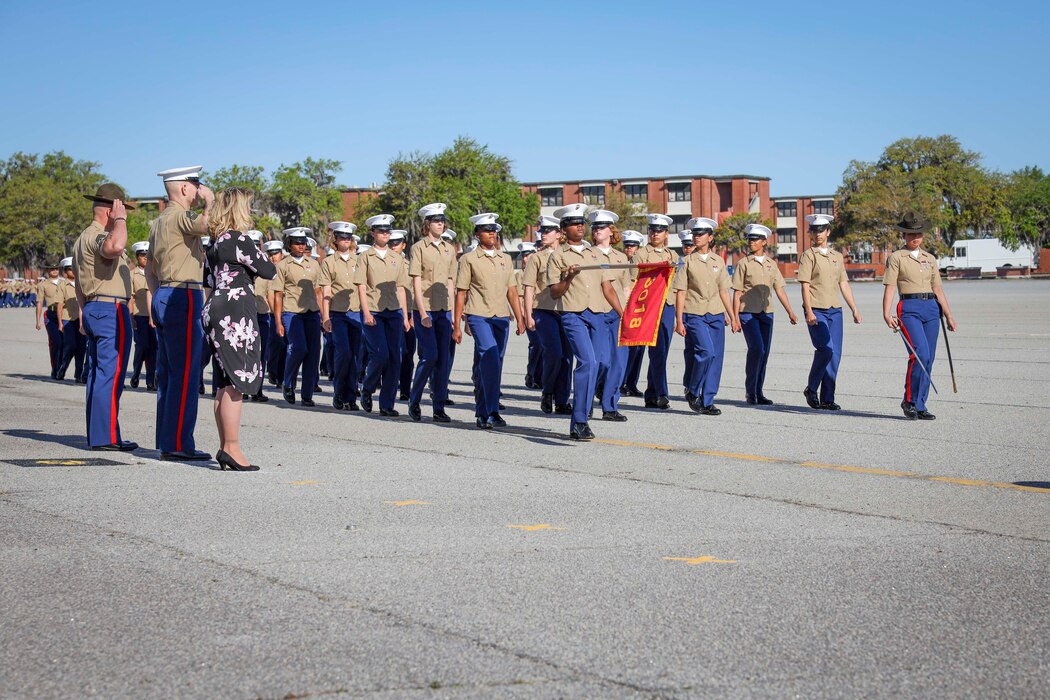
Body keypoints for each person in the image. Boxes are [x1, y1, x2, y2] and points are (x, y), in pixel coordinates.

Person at [202, 188, 276, 471]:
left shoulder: (215, 242)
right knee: (237, 380)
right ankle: (232, 448)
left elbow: (208, 280)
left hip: (215, 306)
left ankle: (225, 446)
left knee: (223, 381)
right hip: (235, 309)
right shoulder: (238, 239)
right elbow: (268, 270)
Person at [146, 165, 213, 461]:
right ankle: (179, 443)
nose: (199, 190)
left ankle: (167, 439)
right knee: (186, 373)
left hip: (164, 292)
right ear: (185, 188)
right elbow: (208, 226)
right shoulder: (181, 216)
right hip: (183, 294)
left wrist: (157, 295)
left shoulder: (159, 221)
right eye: (196, 185)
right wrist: (210, 201)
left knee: (169, 372)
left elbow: (148, 269)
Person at [72, 183, 136, 452]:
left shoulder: (81, 238)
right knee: (111, 373)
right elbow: (115, 246)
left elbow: (78, 282)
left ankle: (103, 433)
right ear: (111, 210)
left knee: (100, 374)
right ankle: (105, 437)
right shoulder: (99, 235)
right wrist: (119, 220)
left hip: (95, 307)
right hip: (110, 309)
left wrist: (83, 311)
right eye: (122, 209)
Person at [547, 203, 619, 440]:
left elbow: (607, 287)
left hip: (597, 313)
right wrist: (568, 277)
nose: (579, 227)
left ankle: (585, 403)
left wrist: (623, 314)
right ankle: (579, 421)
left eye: (582, 223)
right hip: (573, 314)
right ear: (563, 230)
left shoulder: (595, 254)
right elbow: (555, 292)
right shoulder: (558, 256)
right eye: (573, 224)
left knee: (600, 363)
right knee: (587, 362)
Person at [882, 211, 957, 420]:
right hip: (909, 308)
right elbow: (889, 287)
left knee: (930, 358)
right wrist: (886, 313)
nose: (915, 238)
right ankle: (909, 400)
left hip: (932, 308)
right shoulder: (897, 258)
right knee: (920, 354)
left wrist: (949, 315)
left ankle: (920, 404)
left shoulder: (930, 259)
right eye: (910, 234)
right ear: (904, 236)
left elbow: (939, 290)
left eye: (919, 234)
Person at [453, 213, 524, 429]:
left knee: (491, 363)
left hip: (501, 317)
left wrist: (520, 318)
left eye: (494, 229)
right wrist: (457, 324)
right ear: (477, 234)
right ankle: (492, 411)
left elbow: (512, 291)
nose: (492, 232)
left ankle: (481, 411)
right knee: (491, 357)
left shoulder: (505, 259)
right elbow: (461, 293)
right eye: (486, 229)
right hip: (478, 315)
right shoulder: (469, 260)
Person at [798, 213, 861, 411]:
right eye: (814, 231)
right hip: (817, 310)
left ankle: (827, 398)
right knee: (825, 349)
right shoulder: (809, 256)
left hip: (835, 310)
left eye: (821, 230)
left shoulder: (837, 256)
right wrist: (808, 311)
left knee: (835, 354)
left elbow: (844, 283)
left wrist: (854, 309)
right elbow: (805, 285)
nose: (818, 234)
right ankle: (812, 388)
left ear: (828, 232)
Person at [731, 223, 798, 405]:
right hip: (748, 313)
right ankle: (750, 391)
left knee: (764, 353)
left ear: (764, 242)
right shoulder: (743, 264)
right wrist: (735, 318)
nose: (751, 242)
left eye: (755, 239)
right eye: (750, 239)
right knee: (757, 349)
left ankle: (759, 392)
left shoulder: (771, 264)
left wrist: (790, 311)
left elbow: (780, 290)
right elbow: (737, 293)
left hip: (767, 313)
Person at [673, 218, 735, 415]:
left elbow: (724, 290)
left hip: (716, 313)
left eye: (700, 234)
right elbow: (681, 292)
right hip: (695, 313)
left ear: (710, 237)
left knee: (716, 357)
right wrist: (679, 320)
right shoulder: (687, 262)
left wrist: (732, 316)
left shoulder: (718, 261)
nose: (696, 237)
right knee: (705, 352)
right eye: (695, 234)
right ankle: (692, 389)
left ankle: (707, 401)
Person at [354, 214, 411, 416]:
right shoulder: (365, 257)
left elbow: (402, 288)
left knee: (396, 357)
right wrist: (366, 312)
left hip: (394, 311)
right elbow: (361, 286)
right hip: (373, 311)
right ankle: (368, 388)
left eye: (388, 231)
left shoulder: (397, 258)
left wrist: (404, 316)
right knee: (380, 355)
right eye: (381, 231)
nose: (385, 234)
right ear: (373, 233)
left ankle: (387, 404)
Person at [408, 203, 457, 422]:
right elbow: (416, 282)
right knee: (429, 356)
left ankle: (438, 407)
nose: (440, 224)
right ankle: (415, 400)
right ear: (427, 224)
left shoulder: (449, 248)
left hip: (444, 310)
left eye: (442, 220)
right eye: (436, 220)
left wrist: (454, 315)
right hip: (425, 309)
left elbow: (451, 282)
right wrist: (421, 311)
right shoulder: (419, 247)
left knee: (444, 360)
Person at [523, 215, 572, 415]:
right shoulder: (536, 258)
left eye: (548, 231)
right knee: (554, 354)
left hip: (568, 310)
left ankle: (562, 400)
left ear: (559, 234)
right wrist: (528, 315)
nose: (543, 234)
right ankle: (548, 391)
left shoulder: (569, 255)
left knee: (567, 357)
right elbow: (528, 288)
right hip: (544, 311)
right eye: (542, 231)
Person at [633, 214, 680, 409]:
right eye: (652, 230)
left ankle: (652, 394)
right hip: (648, 307)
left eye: (659, 230)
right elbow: (634, 282)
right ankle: (661, 393)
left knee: (661, 352)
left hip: (667, 306)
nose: (655, 233)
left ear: (666, 233)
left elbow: (677, 286)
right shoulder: (641, 254)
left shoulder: (673, 256)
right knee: (656, 352)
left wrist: (679, 316)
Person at [588, 210, 630, 422]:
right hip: (595, 313)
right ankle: (587, 398)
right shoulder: (588, 254)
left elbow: (626, 287)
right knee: (600, 361)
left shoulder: (620, 257)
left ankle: (610, 406)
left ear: (611, 230)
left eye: (601, 227)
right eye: (594, 227)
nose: (596, 230)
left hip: (618, 314)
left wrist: (629, 312)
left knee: (619, 363)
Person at [273, 227, 322, 407]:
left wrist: (324, 317)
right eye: (297, 243)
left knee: (313, 353)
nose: (301, 246)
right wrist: (278, 321)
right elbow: (278, 294)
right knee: (299, 348)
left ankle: (307, 394)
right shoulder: (283, 265)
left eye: (303, 243)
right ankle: (288, 382)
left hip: (312, 312)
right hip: (291, 312)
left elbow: (318, 291)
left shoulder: (314, 264)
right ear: (289, 245)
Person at [320, 221, 362, 411]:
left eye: (348, 237)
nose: (345, 240)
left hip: (356, 313)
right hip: (338, 314)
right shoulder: (329, 262)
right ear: (335, 240)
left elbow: (365, 289)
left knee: (354, 356)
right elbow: (325, 291)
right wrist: (325, 317)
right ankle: (339, 393)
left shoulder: (359, 260)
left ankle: (351, 396)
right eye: (341, 237)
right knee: (343, 353)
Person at [242, 231, 270, 402]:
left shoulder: (264, 263)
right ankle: (243, 387)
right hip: (244, 313)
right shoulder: (239, 263)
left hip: (262, 313)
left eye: (256, 244)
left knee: (262, 354)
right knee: (245, 352)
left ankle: (257, 389)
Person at [619, 230, 645, 397]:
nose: (630, 249)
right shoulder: (620, 263)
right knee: (625, 349)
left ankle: (632, 382)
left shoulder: (639, 264)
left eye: (633, 246)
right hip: (623, 309)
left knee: (639, 348)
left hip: (640, 309)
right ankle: (620, 382)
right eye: (627, 246)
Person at [390, 230, 415, 402]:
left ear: (403, 245)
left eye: (396, 243)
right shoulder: (383, 263)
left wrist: (414, 315)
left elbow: (413, 291)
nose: (393, 246)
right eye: (391, 243)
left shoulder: (410, 265)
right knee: (392, 353)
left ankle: (405, 389)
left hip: (409, 313)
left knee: (407, 353)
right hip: (389, 312)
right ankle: (389, 387)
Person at [128, 241, 157, 391]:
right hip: (139, 316)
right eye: (141, 255)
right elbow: (130, 298)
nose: (145, 258)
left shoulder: (154, 272)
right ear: (137, 257)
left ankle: (150, 381)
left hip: (154, 317)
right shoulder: (132, 274)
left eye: (147, 255)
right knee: (142, 347)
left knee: (154, 349)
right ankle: (136, 373)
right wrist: (131, 317)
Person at [515, 242, 542, 390]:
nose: (525, 259)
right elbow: (519, 298)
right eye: (524, 255)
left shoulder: (541, 270)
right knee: (536, 344)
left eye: (528, 255)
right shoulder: (520, 275)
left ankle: (540, 376)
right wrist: (523, 316)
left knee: (544, 345)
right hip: (529, 314)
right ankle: (532, 374)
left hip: (542, 312)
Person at [57, 257, 87, 383]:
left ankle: (78, 374)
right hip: (67, 319)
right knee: (70, 346)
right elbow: (59, 304)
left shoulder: (82, 283)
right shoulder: (62, 284)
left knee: (81, 348)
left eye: (74, 269)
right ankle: (62, 368)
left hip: (81, 320)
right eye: (69, 269)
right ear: (65, 271)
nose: (72, 272)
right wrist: (59, 322)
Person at [262, 240, 286, 386]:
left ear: (281, 254)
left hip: (286, 310)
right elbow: (270, 295)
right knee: (275, 343)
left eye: (275, 254)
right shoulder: (266, 270)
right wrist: (276, 314)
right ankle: (273, 371)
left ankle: (281, 376)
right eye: (270, 254)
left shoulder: (284, 268)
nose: (273, 257)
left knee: (284, 345)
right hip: (272, 312)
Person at [35, 261, 65, 378]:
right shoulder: (43, 285)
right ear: (48, 271)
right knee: (56, 342)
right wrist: (38, 321)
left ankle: (61, 367)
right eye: (52, 269)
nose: (55, 271)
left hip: (65, 315)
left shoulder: (65, 283)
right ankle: (55, 368)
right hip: (51, 315)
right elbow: (39, 303)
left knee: (65, 343)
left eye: (57, 269)